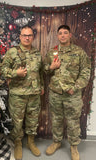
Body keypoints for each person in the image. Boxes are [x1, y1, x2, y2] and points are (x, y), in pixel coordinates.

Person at [43, 24, 91, 160]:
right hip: (55, 93)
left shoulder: (79, 52)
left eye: (65, 33)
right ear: (57, 36)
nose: (63, 35)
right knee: (56, 120)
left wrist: (75, 87)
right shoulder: (52, 52)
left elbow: (86, 72)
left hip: (72, 94)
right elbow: (44, 69)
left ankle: (74, 146)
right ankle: (56, 142)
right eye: (60, 33)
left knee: (73, 121)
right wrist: (51, 67)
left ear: (70, 35)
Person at [0, 25, 44, 160]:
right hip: (18, 94)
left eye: (29, 35)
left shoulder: (37, 53)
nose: (27, 38)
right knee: (17, 122)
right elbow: (2, 70)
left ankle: (31, 141)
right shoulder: (12, 52)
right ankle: (18, 143)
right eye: (24, 35)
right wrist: (15, 73)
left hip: (34, 94)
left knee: (32, 120)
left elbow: (40, 72)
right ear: (20, 37)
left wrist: (41, 85)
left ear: (33, 37)